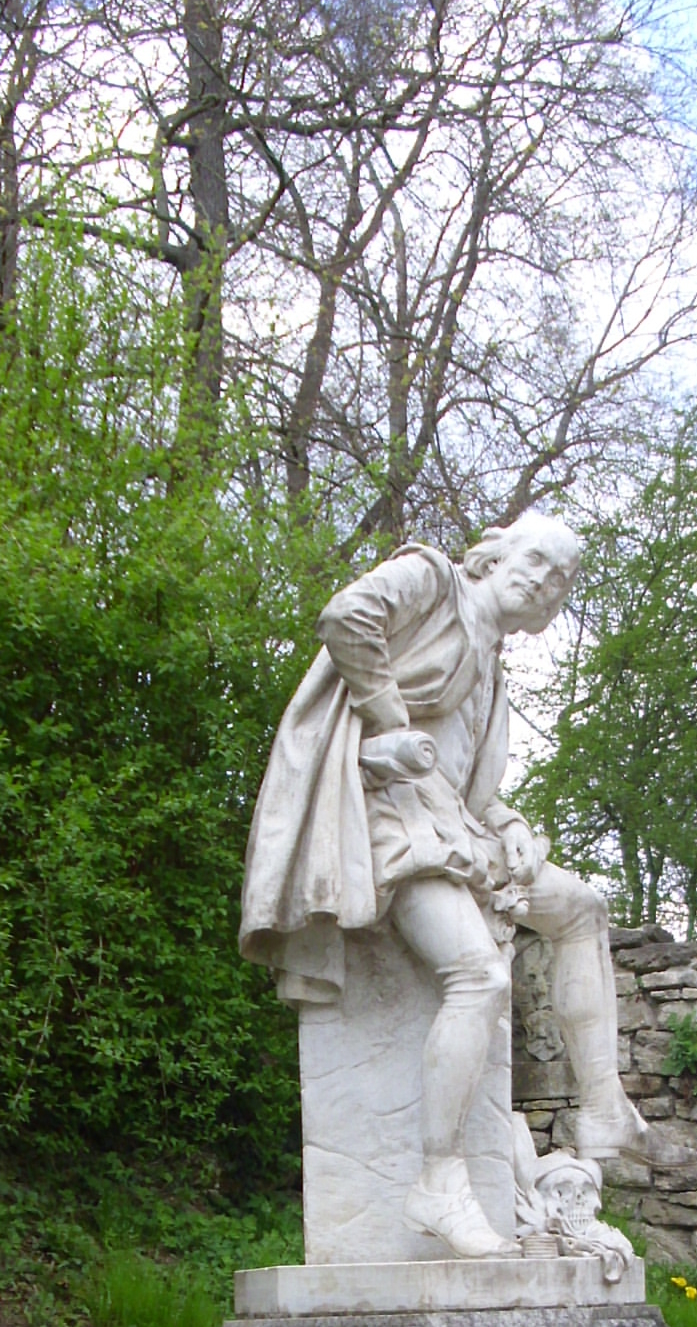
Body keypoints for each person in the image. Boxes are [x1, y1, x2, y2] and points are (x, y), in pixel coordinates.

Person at [241, 512, 646, 1258]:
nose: (548, 583)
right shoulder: (431, 578)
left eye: (564, 579)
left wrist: (513, 823)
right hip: (388, 820)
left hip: (456, 830)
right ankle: (438, 1181)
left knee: (582, 908)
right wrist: (388, 720)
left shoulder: (494, 671)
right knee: (479, 978)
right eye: (540, 561)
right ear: (494, 555)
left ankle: (603, 1109)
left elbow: (475, 789)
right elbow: (345, 616)